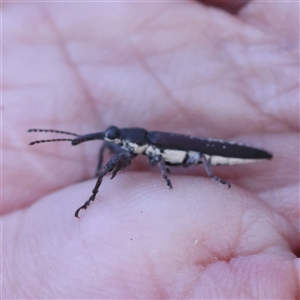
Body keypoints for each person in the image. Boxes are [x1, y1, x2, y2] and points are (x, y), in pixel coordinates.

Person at [3, 1, 299, 298]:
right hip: (163, 152)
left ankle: (214, 177)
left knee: (205, 154)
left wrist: (165, 173)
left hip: (198, 152)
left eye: (116, 137)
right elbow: (111, 146)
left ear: (128, 140)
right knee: (105, 154)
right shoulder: (127, 146)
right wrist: (93, 160)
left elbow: (157, 157)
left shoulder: (148, 145)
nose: (111, 142)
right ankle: (95, 185)